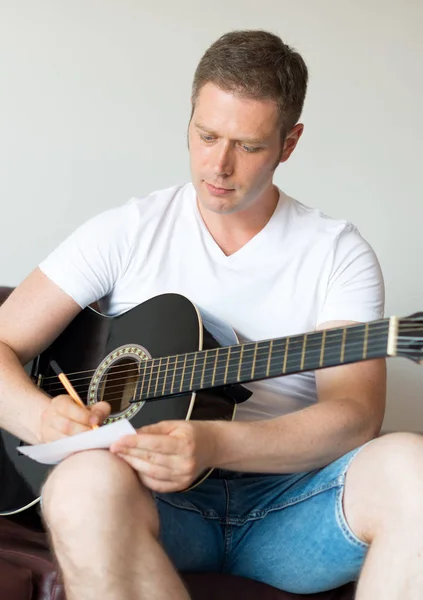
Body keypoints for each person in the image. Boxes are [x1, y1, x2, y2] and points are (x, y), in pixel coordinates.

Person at [0, 29, 421, 600]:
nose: (219, 165)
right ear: (190, 121)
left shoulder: (336, 252)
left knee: (411, 465)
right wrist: (41, 418)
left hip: (290, 507)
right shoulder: (127, 231)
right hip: (156, 503)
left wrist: (217, 443)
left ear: (289, 143)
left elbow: (355, 416)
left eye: (247, 146)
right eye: (206, 135)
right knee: (78, 483)